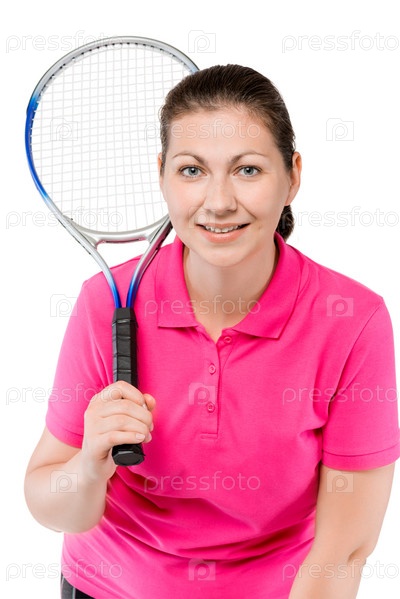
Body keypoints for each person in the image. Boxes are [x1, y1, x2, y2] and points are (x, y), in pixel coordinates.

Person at [24, 64, 399, 599]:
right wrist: (89, 466)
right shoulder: (105, 302)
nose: (219, 202)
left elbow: (344, 549)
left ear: (292, 176)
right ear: (162, 175)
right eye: (192, 170)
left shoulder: (353, 321)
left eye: (247, 170)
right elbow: (54, 508)